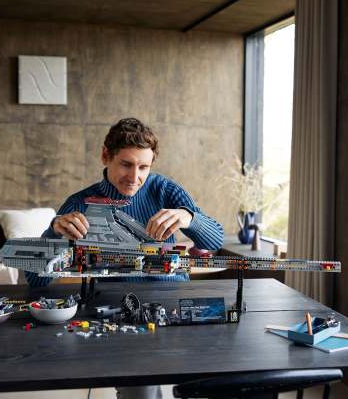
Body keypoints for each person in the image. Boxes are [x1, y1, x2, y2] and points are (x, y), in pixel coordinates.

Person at [25, 118, 224, 399]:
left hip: (173, 303)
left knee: (220, 375)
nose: (134, 177)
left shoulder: (165, 190)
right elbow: (35, 281)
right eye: (126, 164)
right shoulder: (80, 203)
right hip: (118, 312)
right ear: (105, 156)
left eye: (144, 167)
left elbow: (214, 242)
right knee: (142, 389)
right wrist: (54, 231)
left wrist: (189, 218)